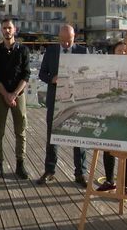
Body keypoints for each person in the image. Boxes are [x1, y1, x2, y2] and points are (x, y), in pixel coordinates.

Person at [36, 24, 88, 187]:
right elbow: (42, 74)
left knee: (79, 138)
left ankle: (80, 173)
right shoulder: (51, 51)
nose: (66, 44)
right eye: (63, 41)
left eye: (69, 41)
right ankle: (50, 171)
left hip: (76, 101)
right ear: (59, 37)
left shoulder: (83, 52)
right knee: (52, 138)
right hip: (55, 101)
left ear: (74, 37)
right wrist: (52, 79)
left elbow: (89, 73)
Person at [0, 19, 31, 180]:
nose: (7, 31)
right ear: (1, 30)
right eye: (4, 28)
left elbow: (26, 74)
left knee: (20, 131)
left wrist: (14, 94)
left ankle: (20, 164)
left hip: (18, 95)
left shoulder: (23, 50)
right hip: (0, 94)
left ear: (15, 30)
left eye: (9, 28)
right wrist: (6, 94)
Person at [98, 39, 127, 195]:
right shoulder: (107, 69)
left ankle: (125, 186)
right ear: (113, 53)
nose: (123, 53)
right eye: (119, 51)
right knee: (108, 147)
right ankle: (109, 181)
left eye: (125, 51)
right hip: (110, 111)